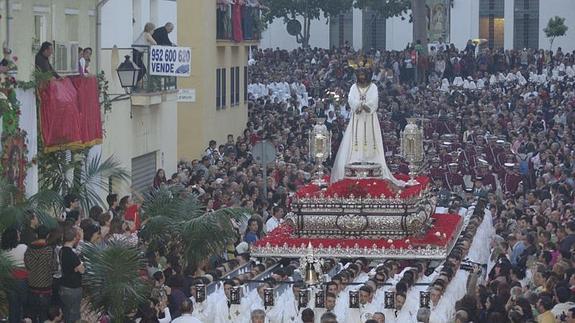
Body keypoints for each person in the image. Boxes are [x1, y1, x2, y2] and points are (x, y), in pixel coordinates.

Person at [330, 56, 404, 186]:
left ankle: (371, 159)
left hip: (369, 117)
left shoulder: (373, 86)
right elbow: (350, 99)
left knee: (370, 138)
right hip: (357, 117)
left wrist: (366, 106)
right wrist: (358, 105)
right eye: (360, 74)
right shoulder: (353, 87)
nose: (362, 76)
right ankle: (356, 158)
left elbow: (374, 99)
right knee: (355, 138)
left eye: (364, 73)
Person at [24, 225, 57, 323]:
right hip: (45, 288)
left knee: (32, 315)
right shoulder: (49, 250)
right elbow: (54, 268)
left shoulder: (29, 250)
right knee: (44, 316)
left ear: (36, 235)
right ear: (47, 235)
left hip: (31, 287)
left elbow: (27, 265)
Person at [1, 226, 28, 323]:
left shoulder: (3, 251)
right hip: (22, 280)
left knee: (13, 306)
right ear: (15, 237)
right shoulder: (23, 247)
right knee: (22, 306)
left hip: (8, 280)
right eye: (18, 234)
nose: (19, 235)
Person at [59, 226, 84, 323]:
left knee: (66, 313)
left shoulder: (61, 251)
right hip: (73, 288)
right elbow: (82, 270)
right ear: (74, 238)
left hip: (63, 285)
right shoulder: (72, 254)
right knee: (74, 315)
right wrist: (79, 266)